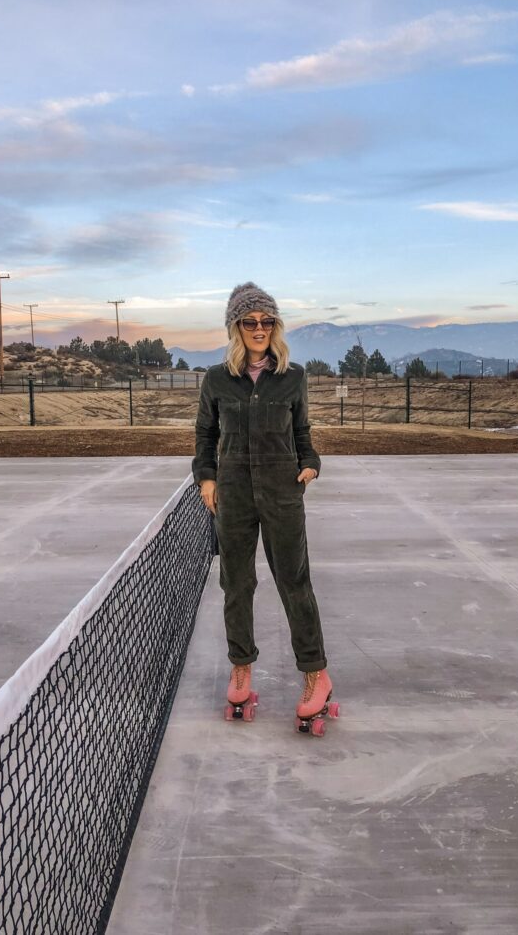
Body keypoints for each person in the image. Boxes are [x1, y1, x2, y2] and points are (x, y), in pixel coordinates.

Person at [192, 282, 335, 732]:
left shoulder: (293, 377)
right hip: (233, 494)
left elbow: (303, 432)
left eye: (266, 321)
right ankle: (241, 666)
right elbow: (205, 436)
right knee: (236, 583)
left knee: (294, 581)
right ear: (236, 326)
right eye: (250, 321)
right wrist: (207, 477)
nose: (259, 328)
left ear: (276, 326)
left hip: (281, 492)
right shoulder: (217, 379)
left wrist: (310, 464)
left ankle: (316, 674)